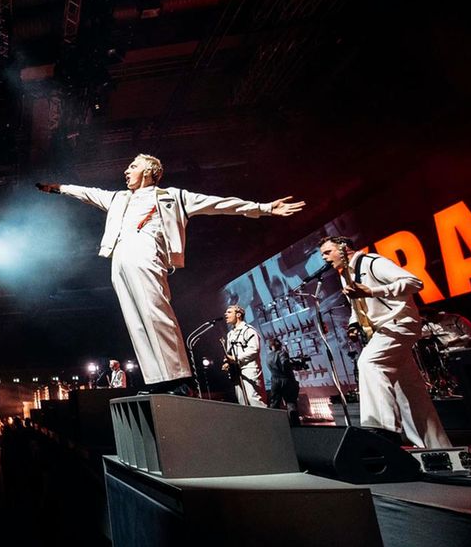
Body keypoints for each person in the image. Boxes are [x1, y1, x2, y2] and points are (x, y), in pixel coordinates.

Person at [37, 156, 304, 393]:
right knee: (136, 320)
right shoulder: (118, 198)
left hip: (146, 250)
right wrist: (60, 188)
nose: (126, 171)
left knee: (156, 312)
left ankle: (179, 378)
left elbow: (218, 204)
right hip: (118, 256)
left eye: (133, 166)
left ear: (149, 171)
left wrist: (263, 208)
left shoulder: (172, 196)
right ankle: (157, 380)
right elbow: (88, 193)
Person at [318, 236, 451, 448]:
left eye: (327, 252)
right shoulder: (346, 275)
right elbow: (358, 306)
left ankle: (382, 431)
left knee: (369, 363)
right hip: (383, 329)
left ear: (344, 249)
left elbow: (415, 282)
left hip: (398, 323)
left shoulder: (372, 262)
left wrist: (374, 291)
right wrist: (354, 324)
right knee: (409, 392)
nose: (324, 258)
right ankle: (438, 448)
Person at [221, 305, 267, 407]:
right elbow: (230, 354)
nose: (226, 314)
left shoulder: (249, 330)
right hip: (236, 371)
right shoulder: (230, 334)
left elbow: (254, 350)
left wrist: (235, 358)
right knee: (242, 402)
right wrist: (228, 363)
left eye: (229, 312)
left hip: (249, 369)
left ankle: (265, 422)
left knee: (254, 399)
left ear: (238, 315)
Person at [266, 338, 301, 420]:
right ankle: (296, 427)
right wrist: (294, 365)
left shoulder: (268, 356)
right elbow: (285, 365)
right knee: (291, 403)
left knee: (274, 404)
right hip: (286, 381)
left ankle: (275, 424)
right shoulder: (282, 353)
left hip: (275, 381)